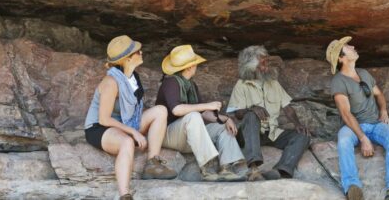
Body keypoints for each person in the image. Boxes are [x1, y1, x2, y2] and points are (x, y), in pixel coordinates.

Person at [84, 35, 177, 200]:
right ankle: (125, 195)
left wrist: (135, 129)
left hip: (124, 123)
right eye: (137, 52)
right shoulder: (111, 82)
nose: (141, 52)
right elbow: (104, 119)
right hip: (100, 128)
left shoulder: (134, 78)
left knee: (160, 111)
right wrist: (134, 133)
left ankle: (152, 163)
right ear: (127, 59)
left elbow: (135, 110)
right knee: (126, 142)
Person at [326, 37, 389, 200]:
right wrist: (362, 138)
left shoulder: (364, 73)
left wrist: (383, 110)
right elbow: (346, 114)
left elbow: (379, 94)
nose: (353, 46)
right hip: (353, 127)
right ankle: (352, 187)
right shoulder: (338, 81)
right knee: (344, 141)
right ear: (341, 58)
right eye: (347, 47)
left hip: (375, 124)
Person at [156, 45, 245, 181]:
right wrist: (207, 105)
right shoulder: (171, 82)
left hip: (189, 134)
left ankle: (227, 168)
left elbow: (203, 113)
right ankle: (207, 167)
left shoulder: (191, 85)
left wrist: (225, 119)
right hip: (169, 134)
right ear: (189, 67)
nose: (196, 66)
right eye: (195, 64)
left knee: (222, 127)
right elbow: (177, 110)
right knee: (193, 116)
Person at [226, 45, 310, 181]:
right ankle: (253, 169)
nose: (267, 65)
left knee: (303, 136)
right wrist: (251, 109)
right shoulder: (241, 85)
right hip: (249, 134)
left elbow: (287, 107)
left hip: (271, 133)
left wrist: (297, 124)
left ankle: (280, 170)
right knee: (251, 115)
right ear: (252, 67)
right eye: (263, 63)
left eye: (267, 61)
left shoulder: (273, 83)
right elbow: (238, 114)